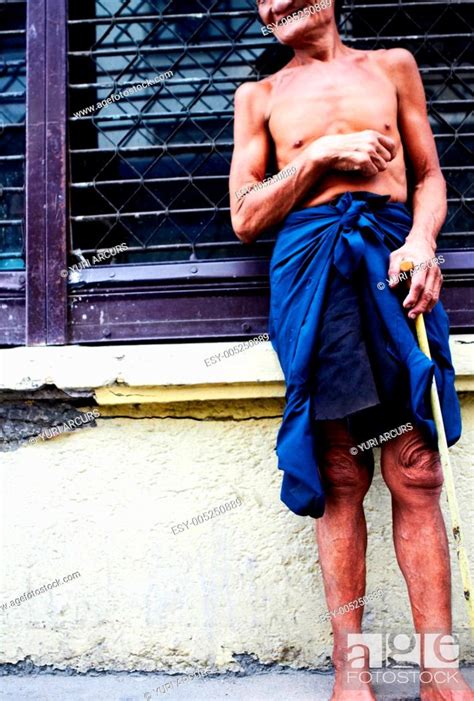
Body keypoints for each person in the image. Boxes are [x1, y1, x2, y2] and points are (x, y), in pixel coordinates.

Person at [229, 1, 472, 700]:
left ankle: (437, 669)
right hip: (316, 278)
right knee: (341, 473)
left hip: (393, 269)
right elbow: (246, 215)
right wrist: (319, 157)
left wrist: (424, 241)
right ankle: (352, 673)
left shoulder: (392, 68)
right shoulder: (261, 96)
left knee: (417, 469)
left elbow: (429, 177)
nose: (270, 5)